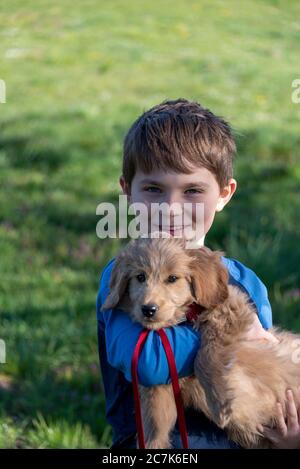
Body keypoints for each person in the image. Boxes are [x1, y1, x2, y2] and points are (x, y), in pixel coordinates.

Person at [96, 98, 300, 449]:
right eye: (153, 189)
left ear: (223, 194)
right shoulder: (127, 274)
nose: (171, 208)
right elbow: (149, 362)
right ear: (127, 191)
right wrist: (232, 333)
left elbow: (267, 365)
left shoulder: (247, 281)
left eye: (192, 191)